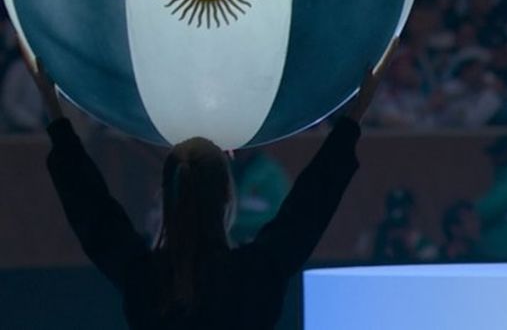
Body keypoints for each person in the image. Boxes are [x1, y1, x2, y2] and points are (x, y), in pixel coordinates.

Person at [35, 39, 399, 329]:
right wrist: (354, 115)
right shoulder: (256, 275)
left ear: (165, 196)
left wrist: (56, 113)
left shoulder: (144, 279)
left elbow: (91, 209)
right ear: (228, 198)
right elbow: (311, 202)